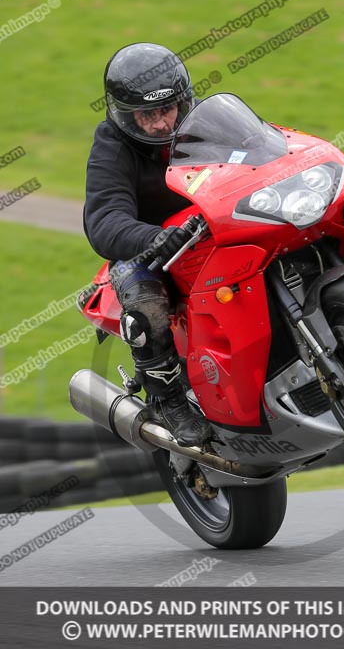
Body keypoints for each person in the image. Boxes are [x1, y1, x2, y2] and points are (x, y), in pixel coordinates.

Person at [83, 42, 212, 447]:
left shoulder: (209, 121)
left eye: (166, 110)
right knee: (144, 299)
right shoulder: (112, 145)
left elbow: (265, 149)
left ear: (183, 101)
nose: (159, 124)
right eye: (147, 115)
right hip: (152, 251)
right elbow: (103, 220)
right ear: (125, 114)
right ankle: (167, 400)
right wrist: (154, 238)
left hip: (215, 230)